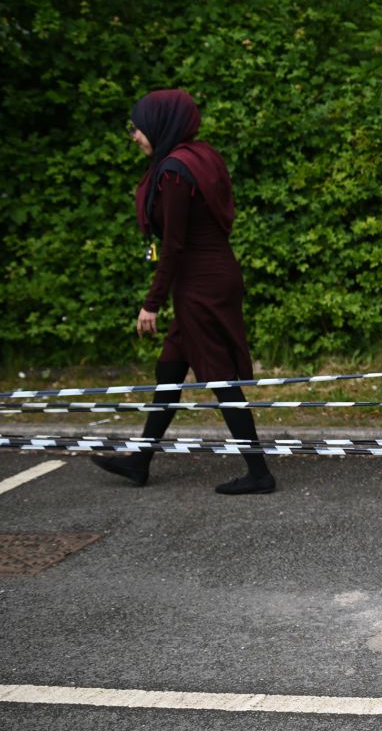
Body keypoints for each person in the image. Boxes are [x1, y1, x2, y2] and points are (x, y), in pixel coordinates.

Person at [92, 90, 275, 495]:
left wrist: (150, 304)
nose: (134, 136)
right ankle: (140, 460)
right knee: (171, 369)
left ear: (160, 123)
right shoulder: (199, 156)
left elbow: (174, 245)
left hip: (200, 283)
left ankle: (259, 473)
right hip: (210, 275)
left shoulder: (176, 171)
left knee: (221, 377)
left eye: (137, 128)